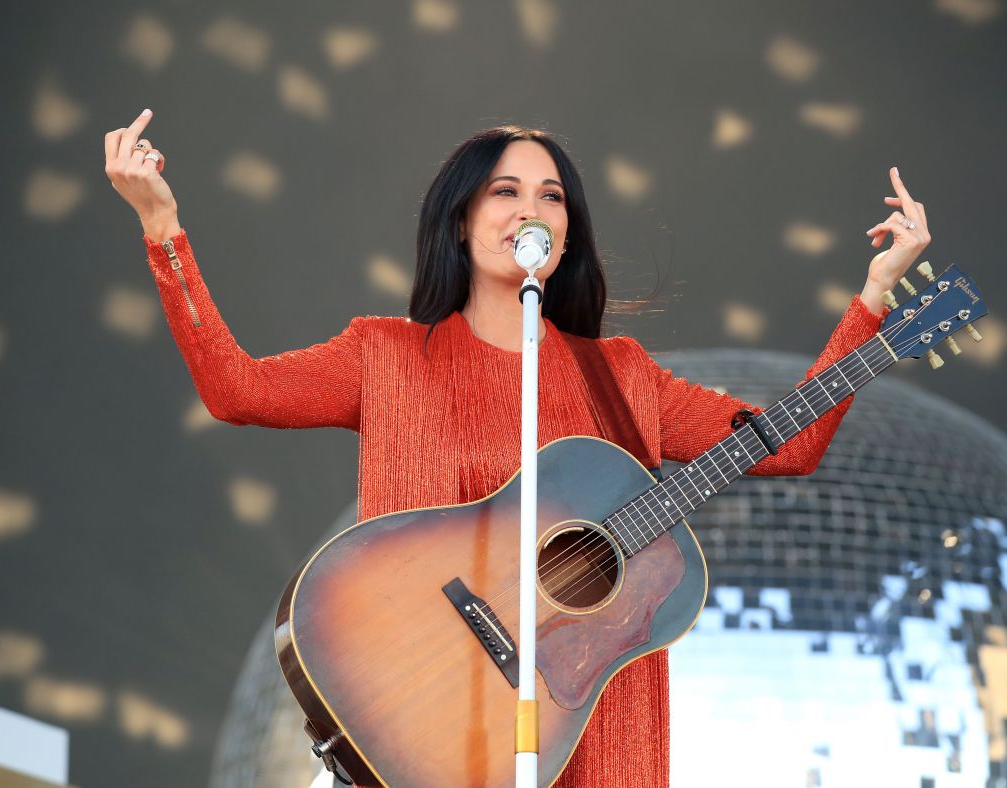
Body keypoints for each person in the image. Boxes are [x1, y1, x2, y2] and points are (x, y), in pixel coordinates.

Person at [104, 108, 932, 787]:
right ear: (461, 222)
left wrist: (874, 298)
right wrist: (162, 226)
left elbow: (784, 445)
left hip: (592, 742)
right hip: (415, 719)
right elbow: (237, 390)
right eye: (504, 191)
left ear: (567, 235)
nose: (531, 209)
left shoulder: (623, 376)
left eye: (552, 196)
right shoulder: (385, 355)